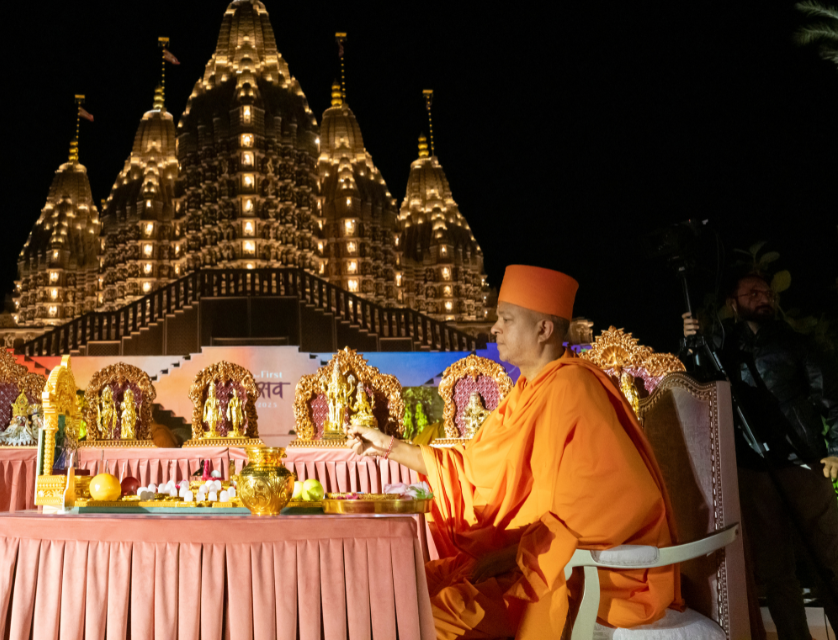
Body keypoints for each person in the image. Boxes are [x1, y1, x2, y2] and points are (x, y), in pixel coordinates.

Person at [348, 264, 680, 639]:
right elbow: (472, 471)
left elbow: (620, 500)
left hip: (569, 573)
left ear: (544, 329)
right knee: (406, 586)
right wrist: (389, 447)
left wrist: (511, 556)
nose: (494, 329)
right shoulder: (524, 390)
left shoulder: (574, 389)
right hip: (522, 556)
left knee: (426, 615)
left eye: (506, 319)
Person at [683, 270, 838, 639]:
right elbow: (699, 389)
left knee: (830, 561)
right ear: (733, 304)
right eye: (752, 292)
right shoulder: (723, 351)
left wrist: (836, 451)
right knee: (776, 572)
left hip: (802, 465)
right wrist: (690, 344)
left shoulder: (796, 344)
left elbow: (832, 399)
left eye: (766, 291)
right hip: (754, 474)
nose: (763, 296)